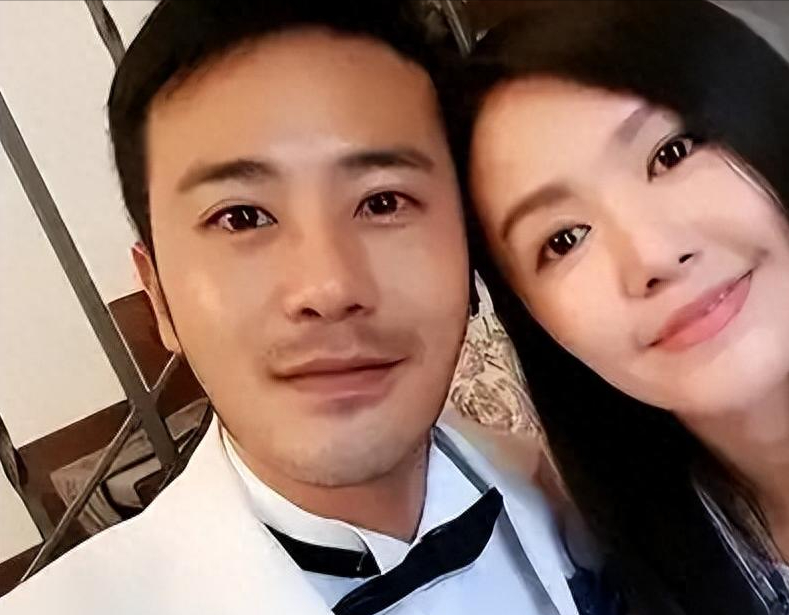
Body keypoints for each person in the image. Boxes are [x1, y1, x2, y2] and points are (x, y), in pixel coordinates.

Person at [0, 2, 613, 614]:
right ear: (158, 295)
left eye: (382, 202)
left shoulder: (573, 502)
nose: (329, 288)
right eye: (242, 217)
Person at [450, 2, 789, 615]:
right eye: (564, 239)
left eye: (671, 154)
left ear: (774, 131)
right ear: (534, 319)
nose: (653, 255)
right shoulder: (598, 578)